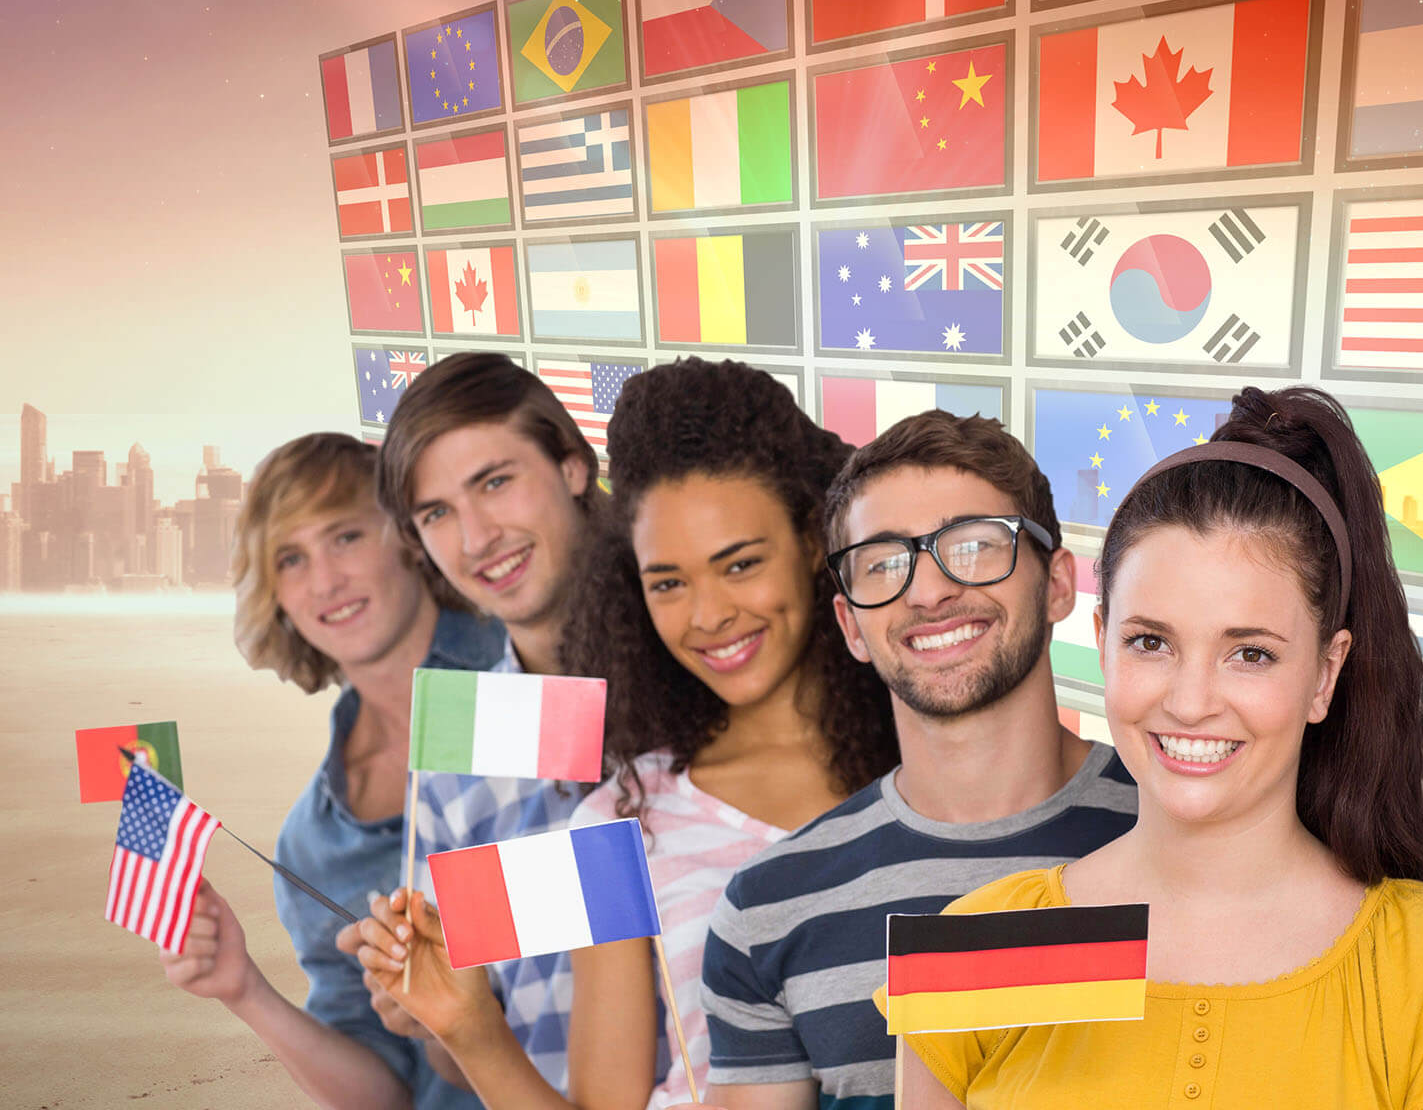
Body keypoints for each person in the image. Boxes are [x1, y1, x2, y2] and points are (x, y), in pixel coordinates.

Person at [898, 387, 1423, 1110]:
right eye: (1150, 642)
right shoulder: (981, 947)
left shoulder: (1419, 961)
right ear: (1102, 646)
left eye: (1249, 653)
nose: (1189, 702)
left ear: (1325, 674)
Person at [353, 360, 900, 1109]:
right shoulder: (621, 820)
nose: (708, 614)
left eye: (739, 564)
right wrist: (469, 1024)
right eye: (668, 582)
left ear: (811, 541)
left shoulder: (925, 759)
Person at [691, 411, 1138, 1110]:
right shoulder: (767, 910)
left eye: (974, 546)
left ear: (1057, 585)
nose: (929, 592)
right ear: (851, 627)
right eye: (884, 563)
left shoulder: (1181, 828)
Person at [157, 432, 503, 1110]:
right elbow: (388, 1093)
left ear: (408, 536)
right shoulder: (312, 842)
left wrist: (456, 999)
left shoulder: (525, 682)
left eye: (345, 537)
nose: (325, 580)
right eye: (291, 558)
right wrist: (245, 989)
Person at [366, 350, 604, 1092]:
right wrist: (429, 1013)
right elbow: (471, 1051)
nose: (475, 539)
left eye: (495, 483)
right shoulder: (454, 759)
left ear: (571, 465)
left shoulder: (709, 668)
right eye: (437, 513)